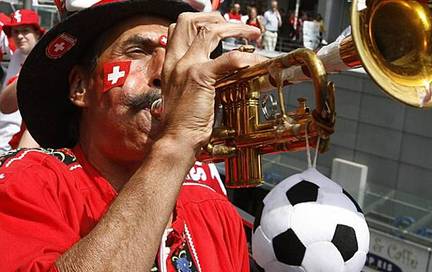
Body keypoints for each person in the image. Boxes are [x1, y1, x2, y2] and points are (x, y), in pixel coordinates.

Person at [0, 0, 264, 271]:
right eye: (138, 51)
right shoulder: (26, 185)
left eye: (178, 55)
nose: (167, 72)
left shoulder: (216, 212)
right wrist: (177, 143)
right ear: (80, 87)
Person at [0, 10, 43, 154]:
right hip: (6, 138)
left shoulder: (46, 59)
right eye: (15, 31)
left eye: (25, 31)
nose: (19, 36)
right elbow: (5, 105)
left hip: (26, 141)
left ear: (37, 33)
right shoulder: (18, 55)